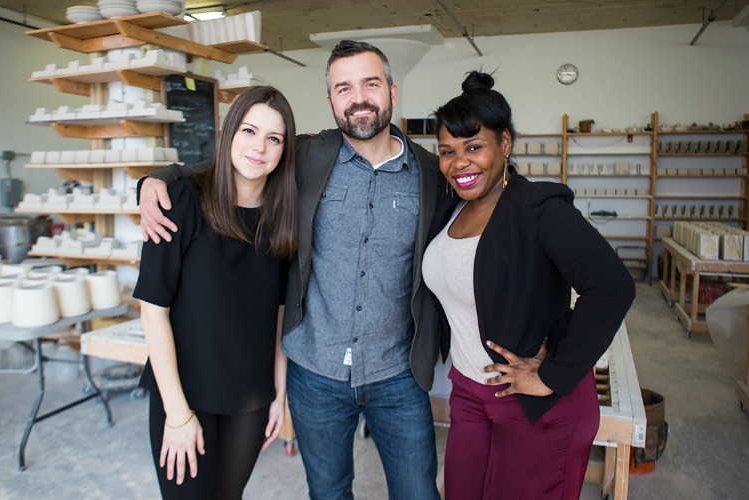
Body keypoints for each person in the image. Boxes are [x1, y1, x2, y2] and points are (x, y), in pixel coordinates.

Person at [137, 40, 446, 499]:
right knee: (327, 492)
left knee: (419, 493)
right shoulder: (309, 155)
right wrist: (157, 179)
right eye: (344, 88)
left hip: (394, 371)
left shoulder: (429, 172)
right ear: (331, 101)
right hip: (314, 371)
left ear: (392, 92)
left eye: (370, 84)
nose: (358, 97)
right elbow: (236, 163)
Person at [421, 71, 636, 499]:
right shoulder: (449, 210)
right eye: (447, 151)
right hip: (468, 392)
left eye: (474, 147)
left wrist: (553, 375)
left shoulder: (537, 207)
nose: (459, 162)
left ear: (505, 143)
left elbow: (612, 286)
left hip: (533, 403)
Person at [134, 86, 297, 499]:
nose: (259, 147)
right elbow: (153, 311)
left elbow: (277, 314)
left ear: (283, 150)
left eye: (273, 138)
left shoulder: (281, 220)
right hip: (187, 394)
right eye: (248, 131)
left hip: (251, 395)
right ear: (228, 134)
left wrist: (279, 395)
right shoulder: (181, 201)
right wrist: (176, 414)